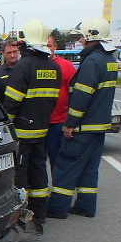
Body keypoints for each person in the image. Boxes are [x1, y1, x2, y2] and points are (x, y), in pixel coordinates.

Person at [46, 18, 118, 219]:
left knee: (66, 166)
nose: (79, 39)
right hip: (99, 126)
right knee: (89, 168)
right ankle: (85, 206)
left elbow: (81, 97)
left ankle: (58, 208)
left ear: (91, 36)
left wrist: (70, 124)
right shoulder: (109, 60)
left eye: (82, 36)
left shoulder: (92, 62)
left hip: (83, 127)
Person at [0, 19, 60, 238]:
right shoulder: (54, 67)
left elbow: (12, 100)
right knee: (39, 172)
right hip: (42, 128)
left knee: (20, 174)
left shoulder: (25, 66)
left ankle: (22, 216)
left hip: (22, 131)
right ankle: (40, 214)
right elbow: (52, 100)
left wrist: (7, 124)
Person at [45, 35, 77, 165]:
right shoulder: (36, 65)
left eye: (49, 45)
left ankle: (57, 183)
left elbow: (75, 94)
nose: (47, 49)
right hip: (39, 122)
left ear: (55, 47)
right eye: (44, 46)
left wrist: (71, 121)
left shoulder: (67, 66)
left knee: (57, 160)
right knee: (37, 162)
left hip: (59, 122)